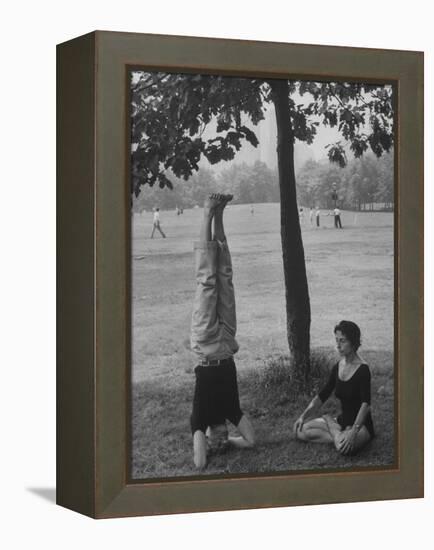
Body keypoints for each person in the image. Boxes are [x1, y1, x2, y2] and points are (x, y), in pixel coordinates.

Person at [189, 193, 255, 469]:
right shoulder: (231, 411)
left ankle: (207, 212)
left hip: (205, 343)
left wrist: (207, 443)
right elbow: (251, 441)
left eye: (219, 441)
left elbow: (200, 463)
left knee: (207, 280)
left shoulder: (200, 419)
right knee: (225, 276)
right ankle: (220, 214)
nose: (223, 439)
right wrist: (232, 443)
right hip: (227, 342)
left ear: (207, 438)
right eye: (226, 439)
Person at [293, 320, 374, 455]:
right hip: (342, 421)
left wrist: (353, 432)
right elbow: (322, 395)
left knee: (344, 449)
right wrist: (303, 416)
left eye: (342, 341)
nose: (338, 345)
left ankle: (331, 425)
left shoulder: (363, 369)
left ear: (353, 342)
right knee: (299, 431)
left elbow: (366, 405)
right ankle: (338, 435)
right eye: (336, 340)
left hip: (361, 426)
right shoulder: (337, 367)